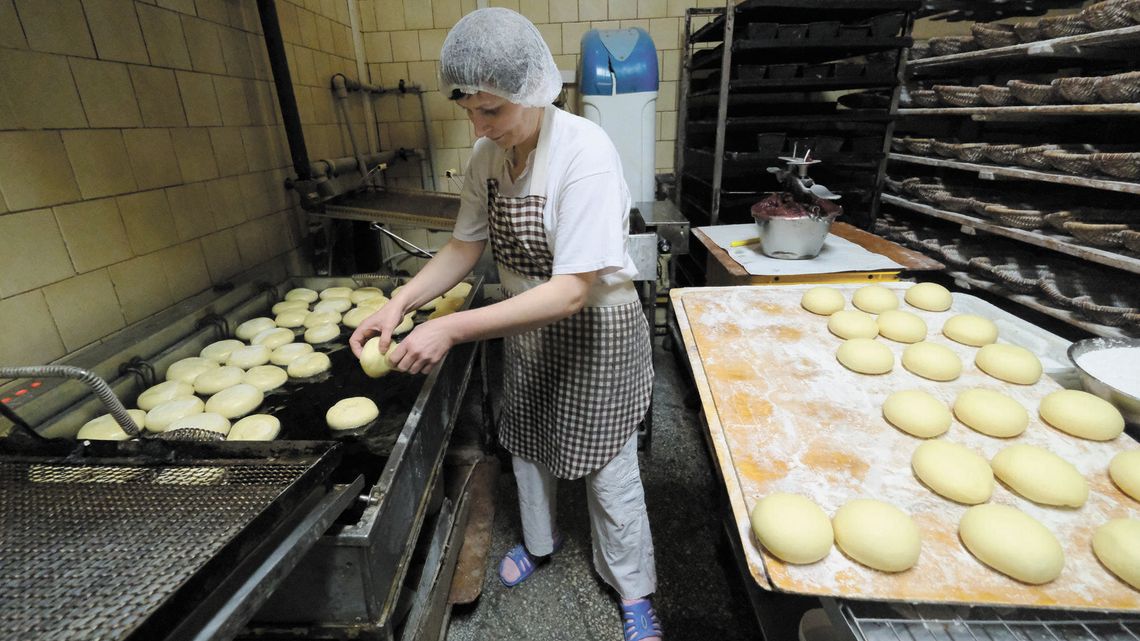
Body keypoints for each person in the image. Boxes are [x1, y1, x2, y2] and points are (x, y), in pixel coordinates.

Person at [348, 8, 661, 641]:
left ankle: (634, 591)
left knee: (609, 469)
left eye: (491, 111)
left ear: (535, 92)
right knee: (527, 442)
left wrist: (453, 328)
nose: (479, 125)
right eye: (470, 111)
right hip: (524, 329)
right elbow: (463, 249)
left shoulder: (586, 154)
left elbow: (572, 291)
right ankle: (541, 544)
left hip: (595, 331)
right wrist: (401, 303)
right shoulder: (489, 159)